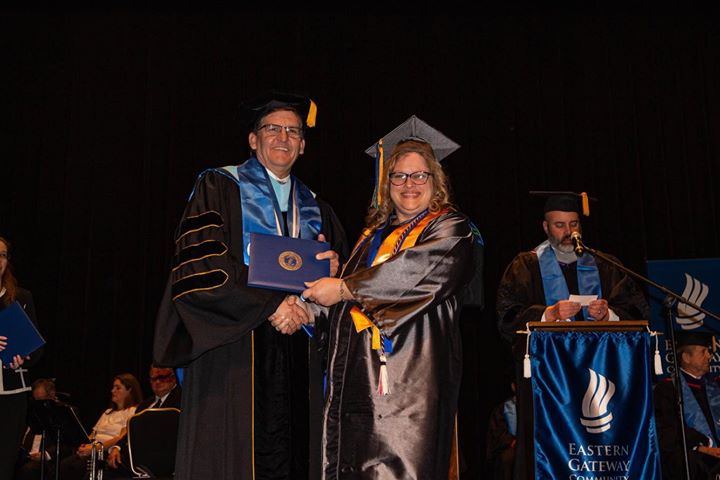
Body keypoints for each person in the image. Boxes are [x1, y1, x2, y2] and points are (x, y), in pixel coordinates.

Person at [153, 91, 348, 480]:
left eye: (293, 131)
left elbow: (341, 289)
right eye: (272, 128)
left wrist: (318, 301)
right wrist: (270, 305)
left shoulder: (318, 209)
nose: (283, 137)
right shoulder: (218, 186)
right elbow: (201, 265)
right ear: (253, 139)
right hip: (234, 350)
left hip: (299, 354)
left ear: (303, 145)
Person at [302, 116, 476, 479]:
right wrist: (310, 305)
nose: (408, 184)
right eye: (398, 176)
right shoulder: (371, 237)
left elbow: (418, 271)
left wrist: (345, 287)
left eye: (419, 176)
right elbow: (345, 306)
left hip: (411, 385)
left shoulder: (450, 228)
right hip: (358, 383)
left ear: (435, 181)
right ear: (387, 183)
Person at [495, 192, 650, 480]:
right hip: (550, 379)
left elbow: (636, 309)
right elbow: (506, 318)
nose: (568, 232)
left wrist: (609, 314)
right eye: (559, 225)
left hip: (602, 372)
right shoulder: (525, 266)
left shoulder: (604, 264)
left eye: (574, 224)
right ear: (545, 227)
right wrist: (547, 315)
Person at [0, 236, 40, 480]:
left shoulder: (21, 298)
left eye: (2, 255)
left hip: (12, 396)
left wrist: (25, 356)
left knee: (4, 466)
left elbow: (37, 350)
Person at [654, 332, 720, 479]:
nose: (709, 356)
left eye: (708, 352)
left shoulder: (715, 386)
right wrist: (704, 446)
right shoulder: (667, 389)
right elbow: (667, 432)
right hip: (694, 461)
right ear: (686, 358)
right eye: (703, 352)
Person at [59, 373, 142, 480]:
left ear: (130, 390)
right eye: (113, 387)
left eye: (118, 388)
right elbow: (93, 434)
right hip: (92, 449)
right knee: (63, 465)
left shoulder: (132, 411)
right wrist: (84, 445)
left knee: (77, 468)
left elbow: (121, 438)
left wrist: (94, 449)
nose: (113, 391)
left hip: (105, 452)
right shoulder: (107, 412)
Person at [105, 365, 181, 473]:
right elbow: (131, 432)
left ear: (173, 377)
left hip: (163, 456)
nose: (157, 382)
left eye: (162, 377)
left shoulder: (181, 400)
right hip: (137, 456)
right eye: (153, 379)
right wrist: (117, 447)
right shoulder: (144, 405)